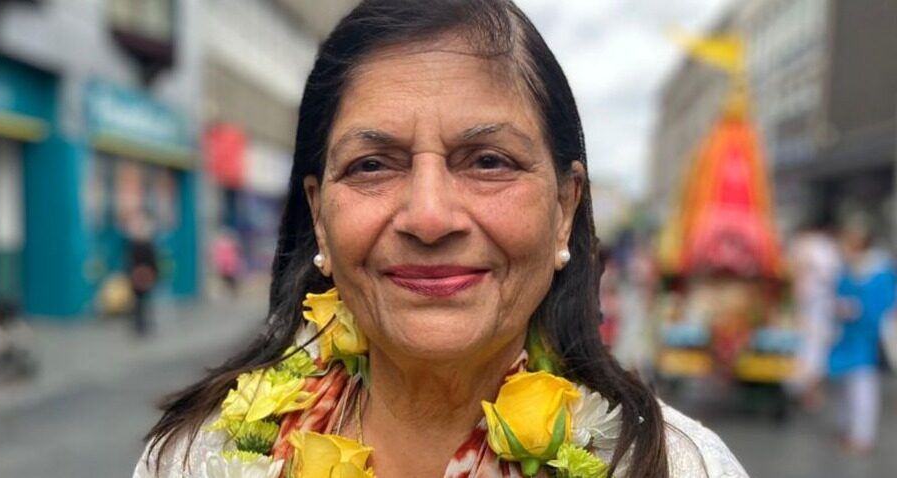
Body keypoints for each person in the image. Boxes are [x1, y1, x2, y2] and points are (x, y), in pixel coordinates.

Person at [134, 1, 746, 477]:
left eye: (488, 161)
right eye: (373, 165)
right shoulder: (198, 458)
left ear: (564, 207)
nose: (429, 218)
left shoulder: (670, 466)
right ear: (319, 214)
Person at [829, 216, 893, 455]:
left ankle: (862, 435)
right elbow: (839, 290)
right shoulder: (849, 267)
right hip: (847, 336)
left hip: (867, 338)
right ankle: (848, 429)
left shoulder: (878, 271)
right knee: (846, 387)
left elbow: (882, 304)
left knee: (863, 388)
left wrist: (860, 310)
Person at [786, 221, 841, 411]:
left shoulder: (821, 248)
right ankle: (801, 390)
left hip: (817, 305)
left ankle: (807, 390)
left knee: (813, 350)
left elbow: (830, 277)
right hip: (800, 305)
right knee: (803, 348)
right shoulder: (812, 246)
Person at [127, 214, 159, 337]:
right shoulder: (147, 245)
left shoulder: (134, 245)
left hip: (137, 275)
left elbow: (130, 262)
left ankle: (139, 324)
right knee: (144, 301)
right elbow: (152, 262)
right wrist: (155, 274)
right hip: (145, 275)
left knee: (139, 302)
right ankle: (143, 324)